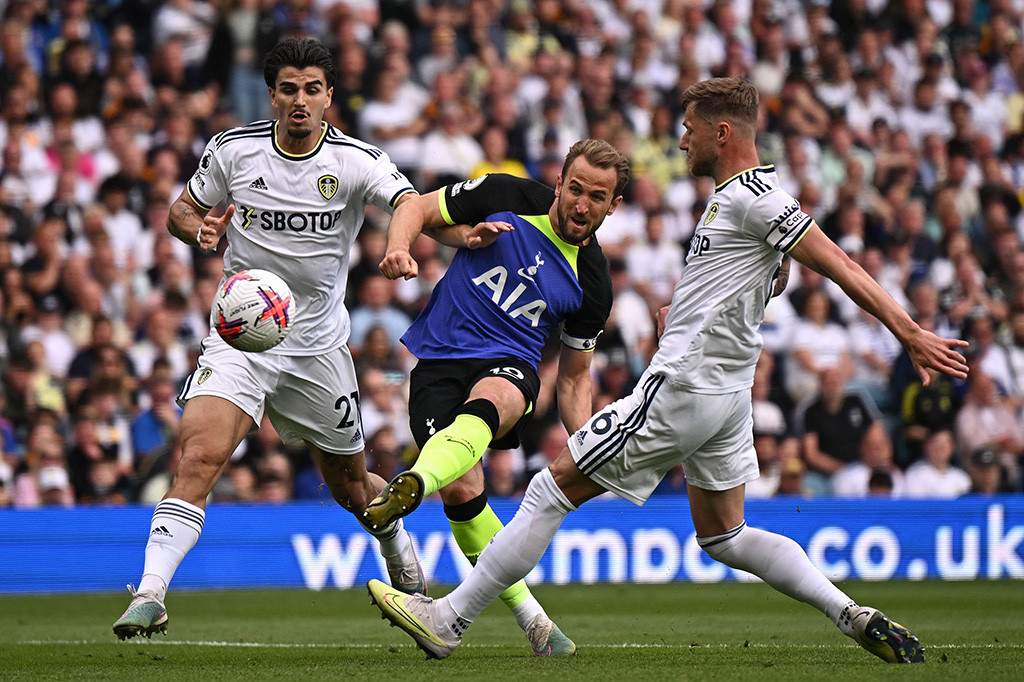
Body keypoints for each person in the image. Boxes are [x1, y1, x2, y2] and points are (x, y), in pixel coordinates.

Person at [367, 78, 969, 663]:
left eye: (689, 129)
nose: (683, 141)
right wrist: (687, 313)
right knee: (726, 535)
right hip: (728, 396)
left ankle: (450, 619)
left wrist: (910, 332)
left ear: (721, 133)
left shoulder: (754, 198)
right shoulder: (736, 202)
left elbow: (838, 263)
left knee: (550, 489)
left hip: (685, 383)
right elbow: (767, 277)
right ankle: (849, 612)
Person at [112, 37, 464, 641]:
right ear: (272, 95)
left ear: (329, 96)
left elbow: (410, 201)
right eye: (289, 89)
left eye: (312, 89)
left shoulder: (356, 160)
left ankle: (396, 543)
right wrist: (200, 231)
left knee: (352, 489)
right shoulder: (233, 150)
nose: (300, 100)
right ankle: (149, 594)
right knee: (197, 459)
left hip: (317, 350)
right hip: (240, 339)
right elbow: (181, 211)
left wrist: (399, 244)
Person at [362, 139, 630, 656]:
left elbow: (574, 379)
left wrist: (586, 444)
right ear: (559, 183)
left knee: (494, 397)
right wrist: (399, 248)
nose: (582, 205)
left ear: (613, 205)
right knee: (463, 490)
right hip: (439, 361)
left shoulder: (593, 282)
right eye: (575, 189)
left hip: (511, 365)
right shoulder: (506, 194)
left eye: (597, 197)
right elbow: (415, 208)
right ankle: (536, 624)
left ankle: (415, 481)